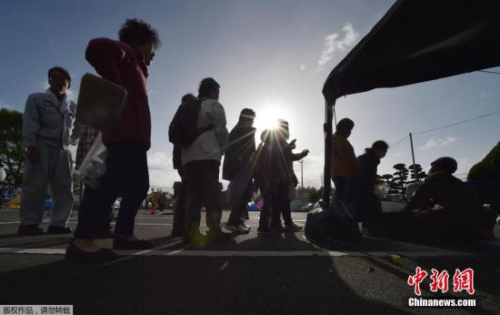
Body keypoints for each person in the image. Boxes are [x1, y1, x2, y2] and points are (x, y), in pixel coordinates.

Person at [67, 18, 160, 261]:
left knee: (139, 187)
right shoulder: (128, 53)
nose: (153, 54)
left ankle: (124, 233)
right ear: (141, 42)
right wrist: (116, 87)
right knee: (105, 186)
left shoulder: (139, 69)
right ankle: (82, 240)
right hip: (121, 136)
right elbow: (97, 46)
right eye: (152, 47)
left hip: (136, 140)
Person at [18, 66, 81, 236]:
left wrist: (73, 140)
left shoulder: (73, 106)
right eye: (55, 78)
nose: (59, 81)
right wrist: (31, 145)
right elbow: (30, 122)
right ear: (49, 81)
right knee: (35, 185)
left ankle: (58, 224)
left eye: (63, 79)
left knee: (64, 188)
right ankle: (29, 223)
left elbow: (80, 124)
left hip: (63, 149)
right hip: (41, 145)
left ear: (68, 84)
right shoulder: (36, 99)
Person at [181, 78, 230, 245]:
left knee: (193, 197)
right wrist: (221, 150)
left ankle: (191, 232)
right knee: (211, 196)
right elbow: (221, 131)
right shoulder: (213, 105)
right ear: (212, 91)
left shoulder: (188, 107)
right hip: (208, 155)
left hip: (187, 157)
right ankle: (214, 231)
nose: (218, 95)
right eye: (217, 91)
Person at [402, 157, 482, 242]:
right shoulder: (458, 182)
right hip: (474, 225)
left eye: (432, 165)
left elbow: (417, 198)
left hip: (454, 220)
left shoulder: (435, 177)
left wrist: (405, 212)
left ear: (438, 166)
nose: (430, 168)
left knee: (412, 222)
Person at [223, 108, 256, 234]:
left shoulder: (239, 130)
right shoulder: (242, 130)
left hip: (241, 167)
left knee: (244, 195)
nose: (253, 121)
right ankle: (233, 222)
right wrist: (249, 165)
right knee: (241, 195)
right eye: (252, 118)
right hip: (242, 168)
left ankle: (237, 221)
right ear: (246, 117)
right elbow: (246, 151)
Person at [171, 93, 197, 238]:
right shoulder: (187, 112)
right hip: (186, 158)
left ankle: (179, 227)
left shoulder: (179, 113)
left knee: (186, 192)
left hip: (181, 158)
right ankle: (183, 227)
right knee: (189, 193)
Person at [276, 119, 309, 232]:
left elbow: (290, 157)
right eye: (284, 128)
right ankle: (277, 224)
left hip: (287, 176)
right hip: (279, 177)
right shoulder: (275, 141)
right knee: (281, 201)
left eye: (287, 128)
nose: (286, 130)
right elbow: (276, 156)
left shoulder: (284, 143)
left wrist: (301, 154)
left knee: (286, 201)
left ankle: (287, 223)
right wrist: (288, 147)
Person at [467, 141, 500, 234]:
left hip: (491, 179)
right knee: (491, 202)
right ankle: (484, 229)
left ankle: (484, 228)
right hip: (480, 176)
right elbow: (495, 163)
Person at [352, 140, 389, 222]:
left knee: (367, 210)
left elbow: (367, 174)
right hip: (360, 189)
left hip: (359, 187)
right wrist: (375, 181)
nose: (385, 153)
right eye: (384, 150)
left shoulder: (370, 157)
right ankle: (370, 227)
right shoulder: (370, 158)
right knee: (371, 210)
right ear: (377, 149)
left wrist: (375, 179)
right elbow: (363, 175)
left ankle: (367, 226)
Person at [330, 118, 359, 205]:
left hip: (340, 174)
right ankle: (340, 216)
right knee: (342, 200)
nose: (350, 132)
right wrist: (356, 171)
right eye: (349, 129)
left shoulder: (335, 139)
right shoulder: (339, 140)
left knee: (341, 198)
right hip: (343, 174)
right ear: (341, 127)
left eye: (351, 130)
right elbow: (348, 159)